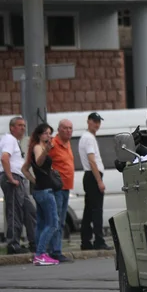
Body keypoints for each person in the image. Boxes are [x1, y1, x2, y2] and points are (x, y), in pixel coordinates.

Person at [22, 123, 60, 266]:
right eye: (45, 133)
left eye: (50, 133)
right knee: (53, 223)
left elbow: (24, 168)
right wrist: (45, 151)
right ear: (39, 135)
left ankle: (39, 253)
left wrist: (34, 180)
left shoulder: (35, 148)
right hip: (45, 191)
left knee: (42, 223)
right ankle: (40, 254)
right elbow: (38, 161)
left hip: (39, 189)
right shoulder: (38, 147)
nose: (48, 135)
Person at [0, 116, 37, 254]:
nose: (23, 128)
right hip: (12, 178)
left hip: (19, 178)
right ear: (12, 127)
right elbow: (4, 158)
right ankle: (13, 244)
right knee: (15, 212)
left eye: (24, 125)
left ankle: (34, 242)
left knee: (29, 210)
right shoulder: (9, 139)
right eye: (20, 125)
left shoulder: (15, 142)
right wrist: (10, 178)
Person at [79, 112, 113, 250]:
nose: (97, 124)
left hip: (90, 175)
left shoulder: (87, 137)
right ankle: (99, 240)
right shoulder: (88, 138)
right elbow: (92, 160)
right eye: (94, 121)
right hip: (93, 175)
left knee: (89, 210)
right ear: (88, 121)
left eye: (98, 121)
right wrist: (99, 181)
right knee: (96, 210)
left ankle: (85, 240)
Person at [48, 119, 75, 262]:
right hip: (57, 188)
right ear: (59, 129)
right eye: (65, 128)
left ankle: (56, 248)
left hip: (66, 188)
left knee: (62, 221)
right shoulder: (53, 143)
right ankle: (54, 250)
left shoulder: (67, 143)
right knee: (56, 219)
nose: (68, 131)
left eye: (70, 128)